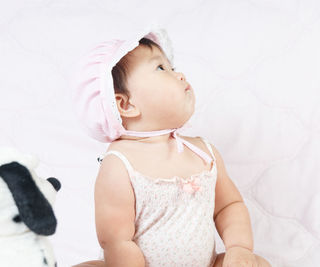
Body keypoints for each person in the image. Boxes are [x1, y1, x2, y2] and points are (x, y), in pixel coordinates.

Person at [71, 26, 271, 267]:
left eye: (172, 67)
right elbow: (116, 240)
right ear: (125, 105)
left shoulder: (204, 153)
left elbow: (229, 205)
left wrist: (239, 249)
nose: (180, 75)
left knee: (259, 264)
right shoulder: (120, 164)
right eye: (160, 68)